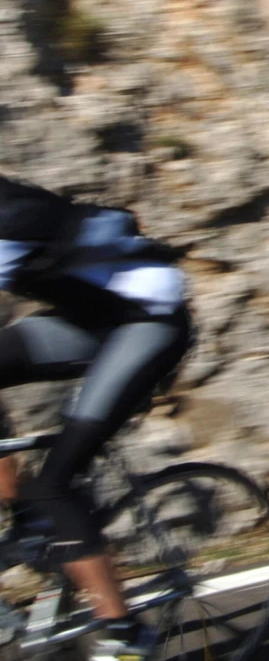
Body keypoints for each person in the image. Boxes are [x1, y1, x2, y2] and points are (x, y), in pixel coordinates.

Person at [0, 174, 193, 660]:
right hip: (89, 320)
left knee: (56, 484)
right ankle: (28, 517)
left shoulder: (6, 220)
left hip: (148, 323)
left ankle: (126, 634)